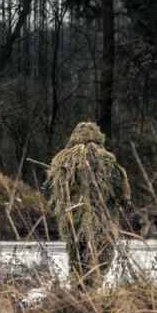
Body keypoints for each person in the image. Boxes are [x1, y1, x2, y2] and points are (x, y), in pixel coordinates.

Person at [44, 122, 130, 290]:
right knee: (101, 255)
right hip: (100, 219)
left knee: (76, 255)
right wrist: (122, 200)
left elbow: (49, 190)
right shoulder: (106, 158)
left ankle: (80, 292)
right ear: (98, 136)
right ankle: (92, 289)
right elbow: (120, 188)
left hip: (71, 221)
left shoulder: (63, 159)